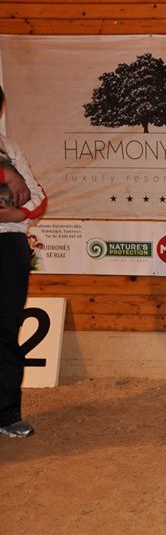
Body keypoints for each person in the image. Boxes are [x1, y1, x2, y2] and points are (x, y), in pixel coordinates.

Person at [0, 84, 48, 438]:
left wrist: (21, 214)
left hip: (8, 244)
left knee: (5, 329)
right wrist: (6, 175)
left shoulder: (10, 147)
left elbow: (38, 200)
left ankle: (7, 413)